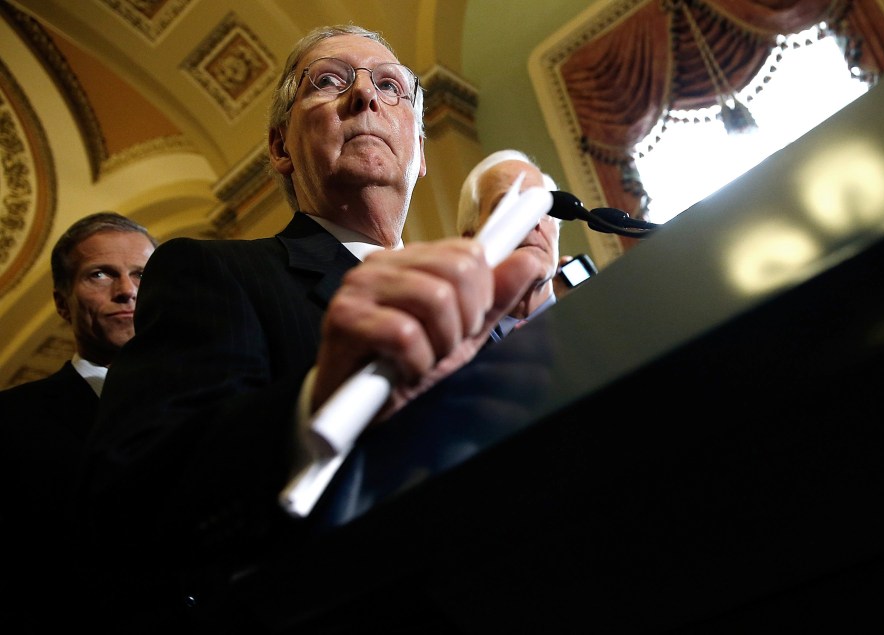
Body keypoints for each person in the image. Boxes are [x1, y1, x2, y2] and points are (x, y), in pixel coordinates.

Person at [77, 24, 549, 630]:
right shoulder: (217, 272)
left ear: (421, 152)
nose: (365, 97)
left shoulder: (482, 295)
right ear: (280, 147)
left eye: (390, 86)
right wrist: (317, 405)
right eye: (328, 81)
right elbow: (129, 499)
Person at [0, 212, 157, 632]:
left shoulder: (227, 396)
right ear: (61, 303)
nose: (127, 291)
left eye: (142, 274)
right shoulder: (11, 421)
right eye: (101, 275)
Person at [456, 149, 560, 341]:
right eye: (513, 207)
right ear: (471, 241)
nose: (535, 220)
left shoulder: (596, 324)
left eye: (544, 209)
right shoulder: (452, 346)